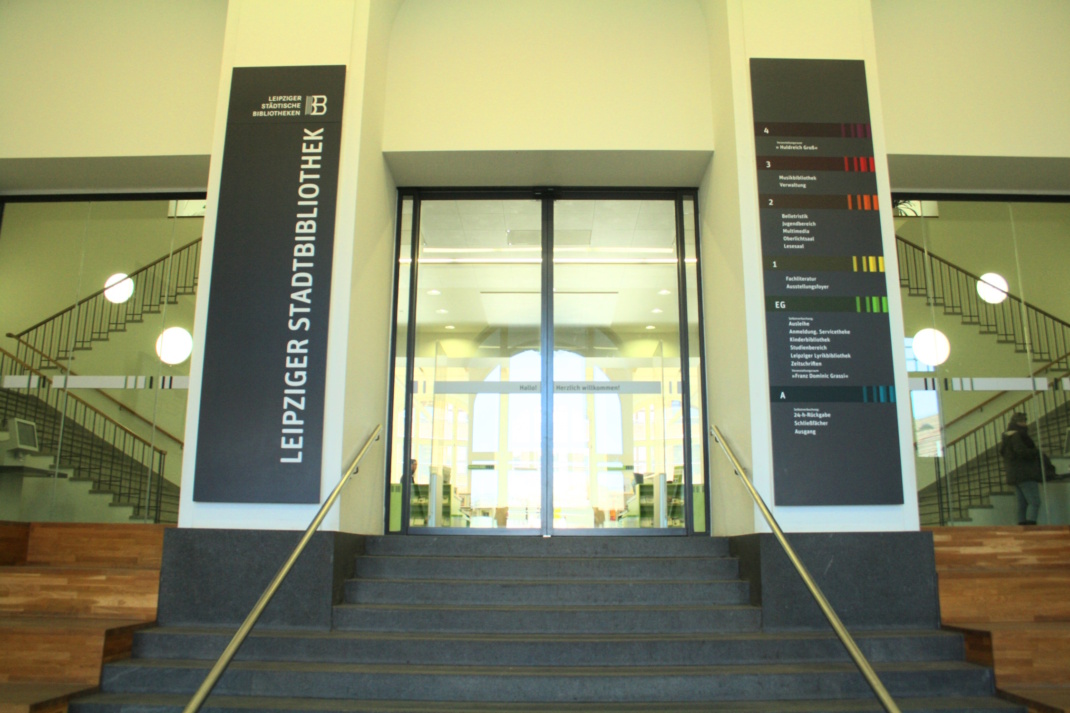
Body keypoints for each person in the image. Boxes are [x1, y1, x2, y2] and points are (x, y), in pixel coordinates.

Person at [999, 412, 1043, 525]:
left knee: (1022, 504)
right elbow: (1022, 452)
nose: (1025, 423)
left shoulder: (1006, 436)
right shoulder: (1019, 435)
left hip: (1014, 474)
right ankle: (1030, 527)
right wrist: (1035, 452)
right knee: (1034, 502)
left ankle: (1021, 529)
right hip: (1025, 473)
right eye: (1023, 421)